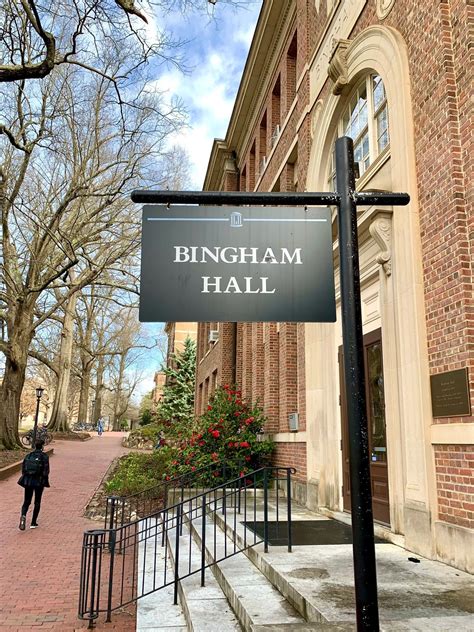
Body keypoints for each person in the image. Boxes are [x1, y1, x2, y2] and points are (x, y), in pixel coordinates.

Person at [18, 439, 50, 530]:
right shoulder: (44, 457)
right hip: (39, 482)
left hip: (28, 481)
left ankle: (23, 516)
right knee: (37, 501)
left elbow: (23, 469)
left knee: (26, 501)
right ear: (42, 446)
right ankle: (33, 522)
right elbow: (46, 471)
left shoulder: (28, 456)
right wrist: (45, 481)